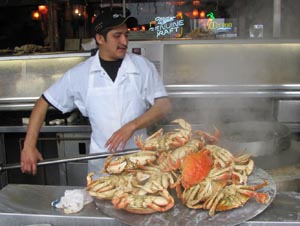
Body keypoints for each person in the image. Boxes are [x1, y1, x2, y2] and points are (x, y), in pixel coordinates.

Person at [20, 6, 172, 177]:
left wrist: (132, 126)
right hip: (102, 167)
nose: (125, 41)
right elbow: (44, 101)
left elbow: (163, 105)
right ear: (100, 38)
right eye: (117, 36)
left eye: (126, 35)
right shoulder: (81, 74)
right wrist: (29, 146)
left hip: (141, 164)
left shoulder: (143, 66)